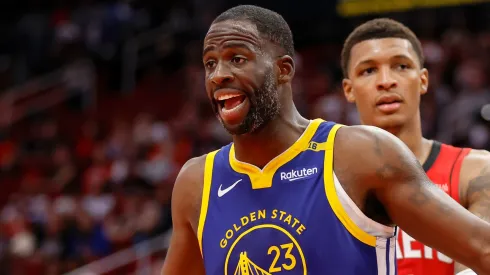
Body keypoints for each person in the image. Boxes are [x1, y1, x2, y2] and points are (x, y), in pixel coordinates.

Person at [162, 5, 490, 275]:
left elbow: (482, 249)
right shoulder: (196, 182)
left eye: (237, 58)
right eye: (209, 63)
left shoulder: (360, 156)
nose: (218, 74)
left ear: (284, 70)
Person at [340, 18, 490, 275]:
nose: (386, 81)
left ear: (423, 80)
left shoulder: (475, 171)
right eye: (368, 70)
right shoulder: (324, 182)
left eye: (401, 66)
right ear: (348, 89)